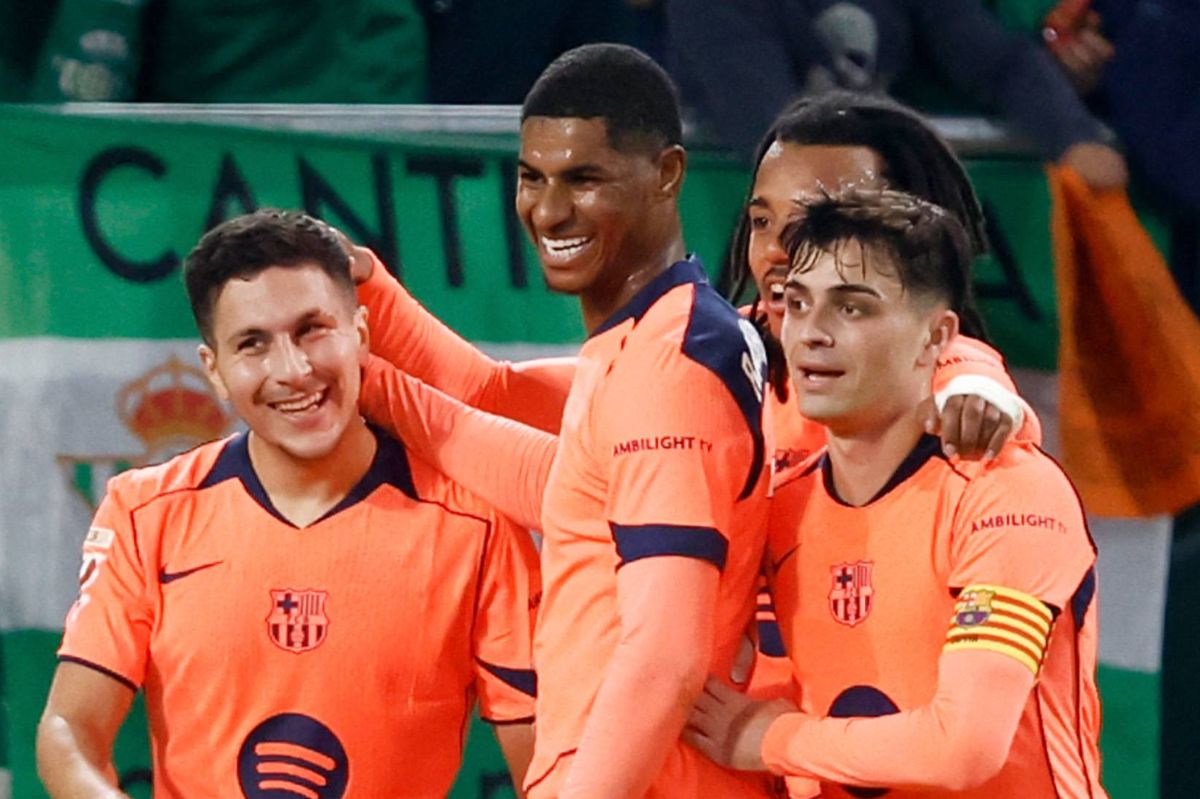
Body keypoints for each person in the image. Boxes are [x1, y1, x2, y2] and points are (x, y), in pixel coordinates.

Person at [363, 43, 777, 798]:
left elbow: (665, 654)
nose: (549, 210)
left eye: (583, 179)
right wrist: (363, 311)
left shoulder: (671, 369)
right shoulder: (654, 337)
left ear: (668, 174)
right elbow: (493, 399)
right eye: (532, 177)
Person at [35, 209, 539, 798]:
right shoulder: (145, 511)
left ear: (363, 335)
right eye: (253, 344)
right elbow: (70, 727)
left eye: (312, 330)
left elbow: (550, 767)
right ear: (215, 371)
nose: (293, 371)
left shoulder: (475, 524)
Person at [684, 189, 1104, 798]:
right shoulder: (783, 506)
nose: (812, 334)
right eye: (797, 304)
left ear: (938, 338)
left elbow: (962, 749)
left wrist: (773, 740)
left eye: (852, 309)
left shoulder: (1007, 494)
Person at [666, 0, 1128, 191]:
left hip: (868, 211)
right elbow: (773, 132)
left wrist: (1074, 137)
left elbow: (997, 60)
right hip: (735, 226)